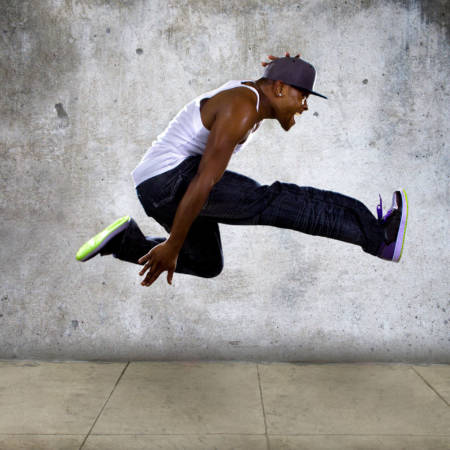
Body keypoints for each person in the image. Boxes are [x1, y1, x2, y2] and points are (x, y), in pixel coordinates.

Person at [76, 52, 408, 287]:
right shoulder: (242, 107)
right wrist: (173, 244)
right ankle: (379, 238)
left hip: (160, 187)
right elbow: (205, 181)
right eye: (302, 96)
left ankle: (123, 242)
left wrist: (288, 75)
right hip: (172, 181)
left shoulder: (255, 98)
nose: (305, 106)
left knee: (207, 264)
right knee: (276, 200)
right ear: (278, 88)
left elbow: (206, 178)